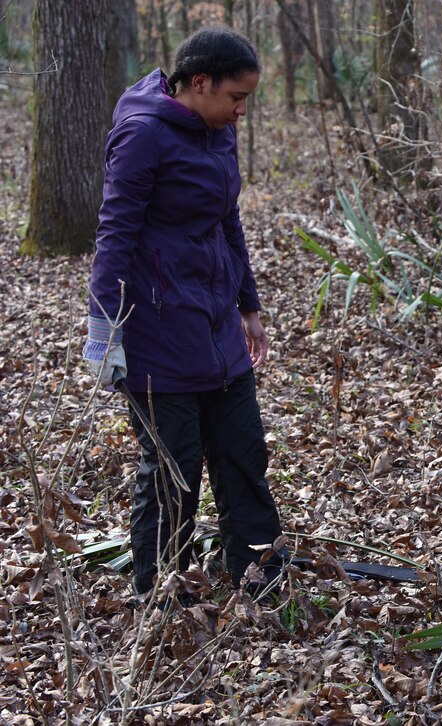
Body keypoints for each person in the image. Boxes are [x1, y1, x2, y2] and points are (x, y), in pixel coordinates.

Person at [83, 26, 284, 599]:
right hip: (157, 329)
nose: (242, 111)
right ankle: (160, 589)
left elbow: (228, 220)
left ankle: (259, 572)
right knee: (174, 469)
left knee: (243, 452)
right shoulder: (143, 134)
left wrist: (249, 305)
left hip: (217, 324)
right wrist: (104, 330)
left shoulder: (218, 131)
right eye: (236, 97)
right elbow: (116, 232)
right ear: (199, 83)